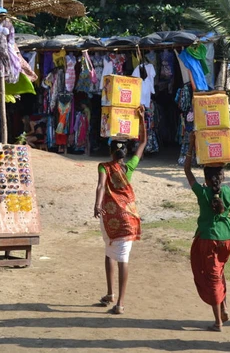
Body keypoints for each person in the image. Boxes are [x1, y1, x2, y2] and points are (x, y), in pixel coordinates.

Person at [94, 106, 147, 315]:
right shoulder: (130, 166)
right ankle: (118, 301)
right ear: (125, 154)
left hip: (109, 217)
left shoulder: (104, 167)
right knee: (122, 258)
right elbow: (142, 142)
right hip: (129, 217)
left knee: (109, 253)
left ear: (110, 152)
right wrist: (142, 119)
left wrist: (97, 205)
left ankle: (112, 295)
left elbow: (100, 186)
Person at [183, 132, 230, 332]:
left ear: (205, 178)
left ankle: (218, 322)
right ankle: (225, 308)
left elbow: (187, 170)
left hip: (208, 238)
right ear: (222, 177)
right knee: (219, 272)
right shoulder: (228, 192)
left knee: (212, 277)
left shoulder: (202, 193)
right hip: (227, 238)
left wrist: (191, 145)